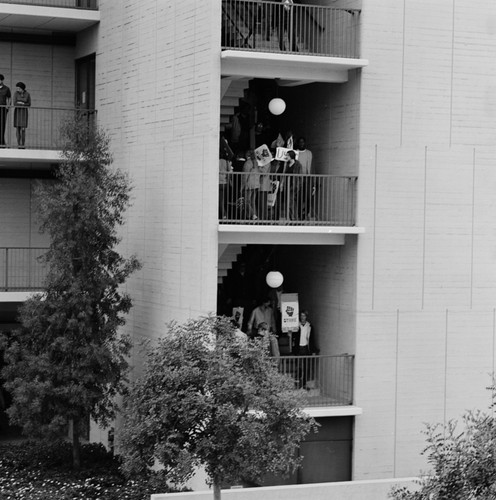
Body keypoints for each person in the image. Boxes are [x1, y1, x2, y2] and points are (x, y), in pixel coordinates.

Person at [293, 310, 319, 388]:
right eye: (301, 315)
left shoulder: (309, 326)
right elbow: (293, 336)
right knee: (298, 366)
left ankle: (304, 383)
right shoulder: (296, 325)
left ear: (306, 317)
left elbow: (312, 339)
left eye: (304, 316)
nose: (302, 317)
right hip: (298, 347)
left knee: (306, 366)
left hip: (306, 347)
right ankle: (297, 382)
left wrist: (313, 350)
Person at [296, 137, 314, 219]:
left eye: (303, 142)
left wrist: (313, 183)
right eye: (300, 142)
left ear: (305, 143)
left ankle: (306, 212)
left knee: (308, 197)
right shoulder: (295, 153)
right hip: (298, 179)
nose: (301, 144)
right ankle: (299, 214)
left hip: (307, 178)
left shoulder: (309, 153)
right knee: (299, 197)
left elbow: (311, 167)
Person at [282, 150, 302, 220]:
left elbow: (300, 176)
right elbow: (283, 175)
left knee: (291, 203)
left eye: (287, 155)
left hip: (293, 186)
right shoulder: (286, 164)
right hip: (287, 186)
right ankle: (292, 219)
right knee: (288, 204)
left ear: (291, 156)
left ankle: (295, 219)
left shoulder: (298, 165)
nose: (286, 157)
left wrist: (298, 185)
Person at [242, 149, 260, 220]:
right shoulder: (256, 162)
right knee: (252, 202)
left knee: (246, 201)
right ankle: (253, 216)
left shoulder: (248, 163)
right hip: (256, 184)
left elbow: (245, 175)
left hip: (249, 184)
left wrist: (243, 185)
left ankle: (253, 215)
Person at [13, 82, 30, 148]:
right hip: (17, 112)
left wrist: (21, 103)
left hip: (24, 113)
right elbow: (15, 103)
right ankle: (18, 144)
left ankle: (23, 144)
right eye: (17, 88)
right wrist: (23, 102)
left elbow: (29, 104)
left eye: (19, 88)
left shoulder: (27, 94)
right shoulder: (15, 93)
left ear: (22, 88)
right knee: (17, 128)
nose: (17, 89)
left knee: (23, 129)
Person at [219, 153, 231, 219]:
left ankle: (223, 215)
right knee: (222, 201)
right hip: (224, 182)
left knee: (218, 201)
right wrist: (229, 181)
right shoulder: (226, 162)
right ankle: (224, 215)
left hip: (217, 182)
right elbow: (230, 171)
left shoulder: (216, 160)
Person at [0, 74, 11, 147]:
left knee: (2, 125)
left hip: (3, 109)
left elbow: (9, 98)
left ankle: (1, 142)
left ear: (2, 80)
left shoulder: (6, 88)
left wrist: (8, 106)